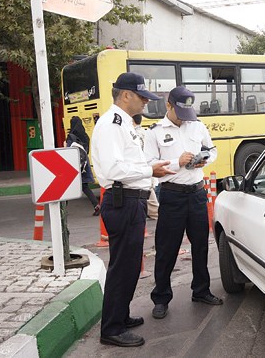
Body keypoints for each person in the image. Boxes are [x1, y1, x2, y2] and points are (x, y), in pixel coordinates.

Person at [91, 72, 175, 348]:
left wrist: (152, 175)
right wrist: (148, 169)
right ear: (126, 95)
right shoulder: (111, 125)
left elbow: (133, 165)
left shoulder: (125, 124)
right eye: (142, 97)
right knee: (123, 267)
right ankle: (112, 328)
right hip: (122, 201)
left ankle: (121, 315)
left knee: (129, 266)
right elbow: (114, 169)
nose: (145, 103)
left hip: (132, 199)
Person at [144, 86, 222, 320]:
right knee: (167, 249)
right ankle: (161, 298)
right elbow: (149, 164)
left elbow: (212, 149)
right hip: (172, 195)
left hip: (197, 193)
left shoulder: (197, 125)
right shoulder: (154, 132)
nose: (185, 117)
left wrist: (203, 160)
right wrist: (177, 162)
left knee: (201, 245)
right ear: (168, 106)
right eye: (180, 112)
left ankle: (201, 290)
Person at [66, 116, 100, 215]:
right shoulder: (85, 136)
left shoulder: (71, 137)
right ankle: (96, 205)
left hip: (74, 166)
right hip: (84, 165)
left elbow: (69, 152)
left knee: (67, 187)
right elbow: (86, 151)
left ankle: (62, 210)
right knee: (84, 186)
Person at [132, 114, 159, 220]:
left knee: (148, 190)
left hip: (142, 166)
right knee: (149, 188)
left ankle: (155, 213)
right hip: (148, 164)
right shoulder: (145, 132)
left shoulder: (134, 134)